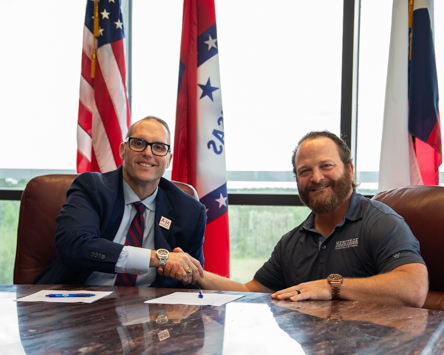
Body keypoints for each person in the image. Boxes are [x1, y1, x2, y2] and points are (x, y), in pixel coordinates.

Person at [166, 131, 428, 307]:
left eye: (326, 165)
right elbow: (249, 290)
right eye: (305, 171)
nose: (316, 178)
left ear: (349, 169)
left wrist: (332, 286)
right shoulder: (291, 242)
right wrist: (198, 274)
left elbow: (414, 288)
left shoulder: (380, 222)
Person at [35, 116, 205, 288]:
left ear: (168, 160)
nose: (147, 153)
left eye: (159, 147)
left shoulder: (189, 211)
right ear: (123, 150)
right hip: (79, 300)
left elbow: (192, 279)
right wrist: (159, 258)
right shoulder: (92, 188)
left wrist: (184, 274)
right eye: (138, 143)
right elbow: (74, 246)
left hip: (152, 310)